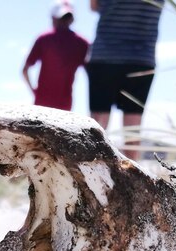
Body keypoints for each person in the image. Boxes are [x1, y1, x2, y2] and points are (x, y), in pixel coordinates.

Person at [87, 0, 164, 160]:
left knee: (98, 123)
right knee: (132, 125)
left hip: (106, 56)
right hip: (141, 58)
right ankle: (132, 178)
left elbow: (94, 6)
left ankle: (91, 173)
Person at [22, 1, 89, 111]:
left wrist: (34, 91)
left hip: (43, 102)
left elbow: (25, 70)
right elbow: (91, 74)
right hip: (64, 104)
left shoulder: (44, 39)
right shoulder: (81, 43)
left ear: (53, 18)